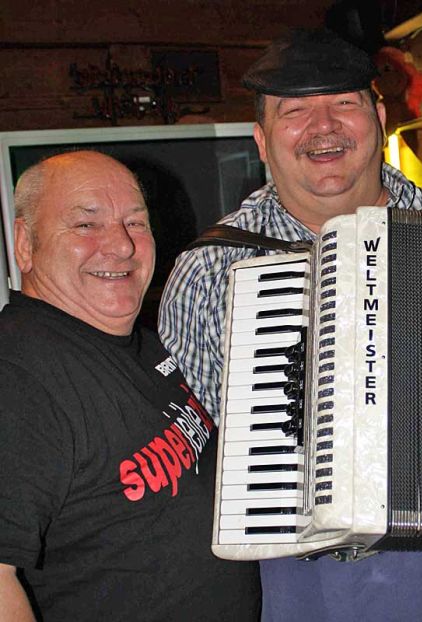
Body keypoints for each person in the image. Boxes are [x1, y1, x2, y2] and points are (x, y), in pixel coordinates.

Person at [159, 28, 422, 622]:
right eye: (295, 111)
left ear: (378, 117)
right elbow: (188, 459)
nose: (324, 126)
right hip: (310, 579)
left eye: (343, 103)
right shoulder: (212, 270)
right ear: (262, 140)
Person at [0, 151, 261, 621]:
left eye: (135, 223)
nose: (121, 245)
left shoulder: (138, 345)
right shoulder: (18, 373)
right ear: (25, 244)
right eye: (86, 225)